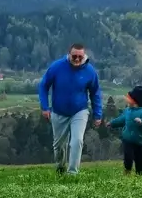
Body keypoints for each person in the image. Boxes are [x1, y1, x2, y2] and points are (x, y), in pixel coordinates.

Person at [38, 43, 103, 176]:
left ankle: (72, 172)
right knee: (59, 146)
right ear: (69, 55)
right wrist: (45, 107)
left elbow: (95, 93)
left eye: (80, 56)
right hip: (58, 112)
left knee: (77, 141)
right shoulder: (57, 67)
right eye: (74, 56)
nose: (77, 59)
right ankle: (60, 167)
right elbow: (43, 86)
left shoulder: (90, 71)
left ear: (84, 56)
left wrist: (98, 114)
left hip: (80, 111)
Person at [108, 85, 142, 176]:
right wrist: (112, 123)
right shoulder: (127, 110)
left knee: (139, 160)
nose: (127, 99)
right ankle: (127, 172)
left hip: (140, 141)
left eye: (129, 97)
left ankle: (139, 174)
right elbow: (121, 119)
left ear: (135, 100)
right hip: (128, 139)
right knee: (128, 158)